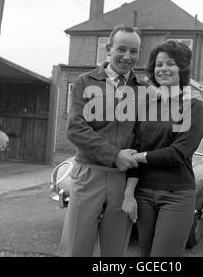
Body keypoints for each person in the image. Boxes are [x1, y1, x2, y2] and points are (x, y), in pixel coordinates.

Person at [59, 25, 147, 257]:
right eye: (121, 49)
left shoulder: (143, 90)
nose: (128, 56)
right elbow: (76, 129)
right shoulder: (84, 82)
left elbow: (142, 137)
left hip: (123, 180)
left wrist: (130, 186)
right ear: (108, 49)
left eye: (134, 51)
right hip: (89, 174)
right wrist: (114, 155)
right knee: (76, 248)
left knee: (115, 252)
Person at [122, 40, 203, 257]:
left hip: (176, 195)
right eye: (159, 65)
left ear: (182, 69)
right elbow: (135, 145)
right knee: (146, 255)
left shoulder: (192, 106)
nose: (163, 69)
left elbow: (177, 154)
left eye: (170, 63)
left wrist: (139, 157)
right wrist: (129, 194)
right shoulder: (147, 105)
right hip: (144, 195)